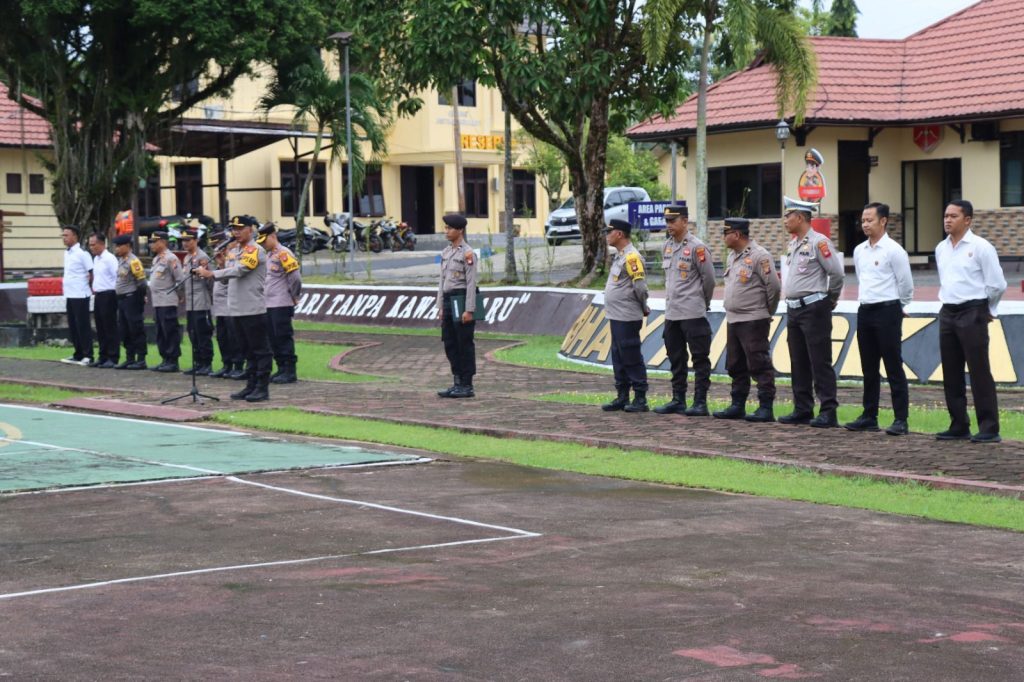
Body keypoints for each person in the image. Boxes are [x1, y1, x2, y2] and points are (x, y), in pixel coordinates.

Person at [935, 200, 1007, 444]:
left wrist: (988, 309)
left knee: (979, 371)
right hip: (948, 311)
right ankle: (958, 424)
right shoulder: (941, 248)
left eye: (953, 216)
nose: (947, 220)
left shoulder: (981, 247)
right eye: (946, 215)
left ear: (967, 220)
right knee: (951, 370)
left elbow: (997, 284)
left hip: (972, 310)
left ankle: (989, 427)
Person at [844, 203, 913, 436]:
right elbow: (862, 279)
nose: (865, 224)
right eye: (863, 220)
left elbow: (906, 284)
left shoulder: (894, 250)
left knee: (893, 365)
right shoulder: (859, 250)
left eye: (869, 220)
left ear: (883, 221)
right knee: (869, 367)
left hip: (888, 310)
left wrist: (899, 306)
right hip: (865, 310)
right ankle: (869, 416)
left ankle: (900, 419)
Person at [779, 196, 845, 427]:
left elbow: (837, 274)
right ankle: (803, 408)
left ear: (800, 217)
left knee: (819, 361)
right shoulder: (794, 244)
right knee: (798, 361)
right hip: (794, 309)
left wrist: (830, 300)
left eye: (788, 216)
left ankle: (828, 410)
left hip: (814, 308)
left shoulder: (819, 242)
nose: (785, 220)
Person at [195, 215, 272, 402]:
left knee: (259, 350)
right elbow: (228, 278)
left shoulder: (255, 250)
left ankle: (262, 388)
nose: (236, 232)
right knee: (246, 350)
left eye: (240, 228)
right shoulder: (235, 251)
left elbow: (240, 270)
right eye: (233, 229)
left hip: (252, 308)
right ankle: (251, 385)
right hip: (236, 308)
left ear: (250, 230)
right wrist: (221, 265)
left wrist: (212, 273)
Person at [714, 217, 781, 422]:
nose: (723, 237)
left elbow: (774, 287)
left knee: (759, 363)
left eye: (726, 233)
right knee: (735, 364)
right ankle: (737, 404)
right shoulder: (732, 256)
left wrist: (766, 311)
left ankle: (765, 407)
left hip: (753, 319)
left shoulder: (760, 256)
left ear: (737, 234)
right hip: (734, 318)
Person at [654, 204, 716, 416]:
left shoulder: (698, 248)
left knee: (699, 359)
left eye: (673, 221)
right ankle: (678, 399)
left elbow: (709, 280)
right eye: (667, 221)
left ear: (685, 221)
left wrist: (702, 302)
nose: (669, 225)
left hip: (692, 312)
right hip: (672, 313)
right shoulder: (667, 246)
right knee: (676, 358)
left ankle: (700, 402)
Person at [601, 218, 650, 413]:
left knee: (630, 355)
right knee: (618, 356)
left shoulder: (631, 258)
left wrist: (643, 305)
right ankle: (622, 396)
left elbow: (640, 287)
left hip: (627, 316)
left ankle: (640, 398)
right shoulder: (620, 256)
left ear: (619, 234)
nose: (607, 235)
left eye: (609, 232)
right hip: (616, 315)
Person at [436, 213, 478, 398]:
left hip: (461, 299)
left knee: (464, 343)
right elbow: (441, 281)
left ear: (460, 230)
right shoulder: (446, 252)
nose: (446, 231)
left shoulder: (467, 253)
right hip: (448, 299)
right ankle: (457, 382)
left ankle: (467, 385)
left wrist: (469, 309)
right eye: (446, 228)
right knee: (449, 342)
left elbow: (471, 283)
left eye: (450, 228)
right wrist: (440, 306)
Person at [258, 223, 303, 384]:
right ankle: (281, 368)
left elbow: (295, 278)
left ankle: (289, 370)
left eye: (265, 241)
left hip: (281, 303)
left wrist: (294, 295)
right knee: (273, 338)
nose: (263, 244)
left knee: (283, 337)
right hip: (269, 304)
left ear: (273, 236)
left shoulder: (284, 253)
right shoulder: (269, 255)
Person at [207, 229, 244, 378]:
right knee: (222, 337)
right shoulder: (223, 259)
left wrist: (222, 265)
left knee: (234, 337)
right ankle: (226, 364)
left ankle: (238, 365)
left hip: (231, 304)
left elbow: (230, 279)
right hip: (220, 306)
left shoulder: (235, 256)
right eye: (214, 247)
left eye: (218, 245)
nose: (217, 249)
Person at [146, 231, 185, 372]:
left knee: (170, 331)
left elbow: (179, 279)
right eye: (151, 242)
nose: (151, 245)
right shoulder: (156, 259)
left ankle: (173, 361)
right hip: (157, 301)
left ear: (163, 242)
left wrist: (180, 295)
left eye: (154, 242)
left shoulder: (171, 258)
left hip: (167, 300)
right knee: (160, 332)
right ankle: (165, 359)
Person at [179, 227, 215, 376]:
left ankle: (206, 363)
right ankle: (198, 362)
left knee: (203, 333)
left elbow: (209, 278)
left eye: (188, 240)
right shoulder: (187, 257)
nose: (185, 243)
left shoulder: (202, 257)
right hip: (191, 302)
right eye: (183, 240)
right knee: (193, 333)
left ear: (196, 240)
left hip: (201, 301)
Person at [112, 233, 149, 370]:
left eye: (119, 246)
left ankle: (141, 359)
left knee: (136, 329)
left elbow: (142, 283)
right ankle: (130, 358)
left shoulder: (133, 261)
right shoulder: (122, 260)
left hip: (131, 298)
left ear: (127, 246)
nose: (116, 248)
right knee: (125, 330)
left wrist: (139, 298)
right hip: (122, 300)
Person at [60, 225, 94, 366]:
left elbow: (91, 272)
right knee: (73, 326)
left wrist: (89, 287)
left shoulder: (82, 254)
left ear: (75, 236)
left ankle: (88, 355)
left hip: (80, 294)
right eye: (63, 235)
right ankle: (78, 353)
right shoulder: (67, 253)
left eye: (66, 235)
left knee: (83, 325)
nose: (64, 238)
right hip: (70, 294)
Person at [87, 231, 119, 368]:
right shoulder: (96, 259)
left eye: (93, 244)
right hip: (99, 294)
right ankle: (103, 356)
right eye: (90, 245)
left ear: (101, 244)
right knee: (100, 326)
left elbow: (117, 277)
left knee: (109, 326)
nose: (91, 247)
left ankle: (113, 356)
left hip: (109, 294)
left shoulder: (110, 259)